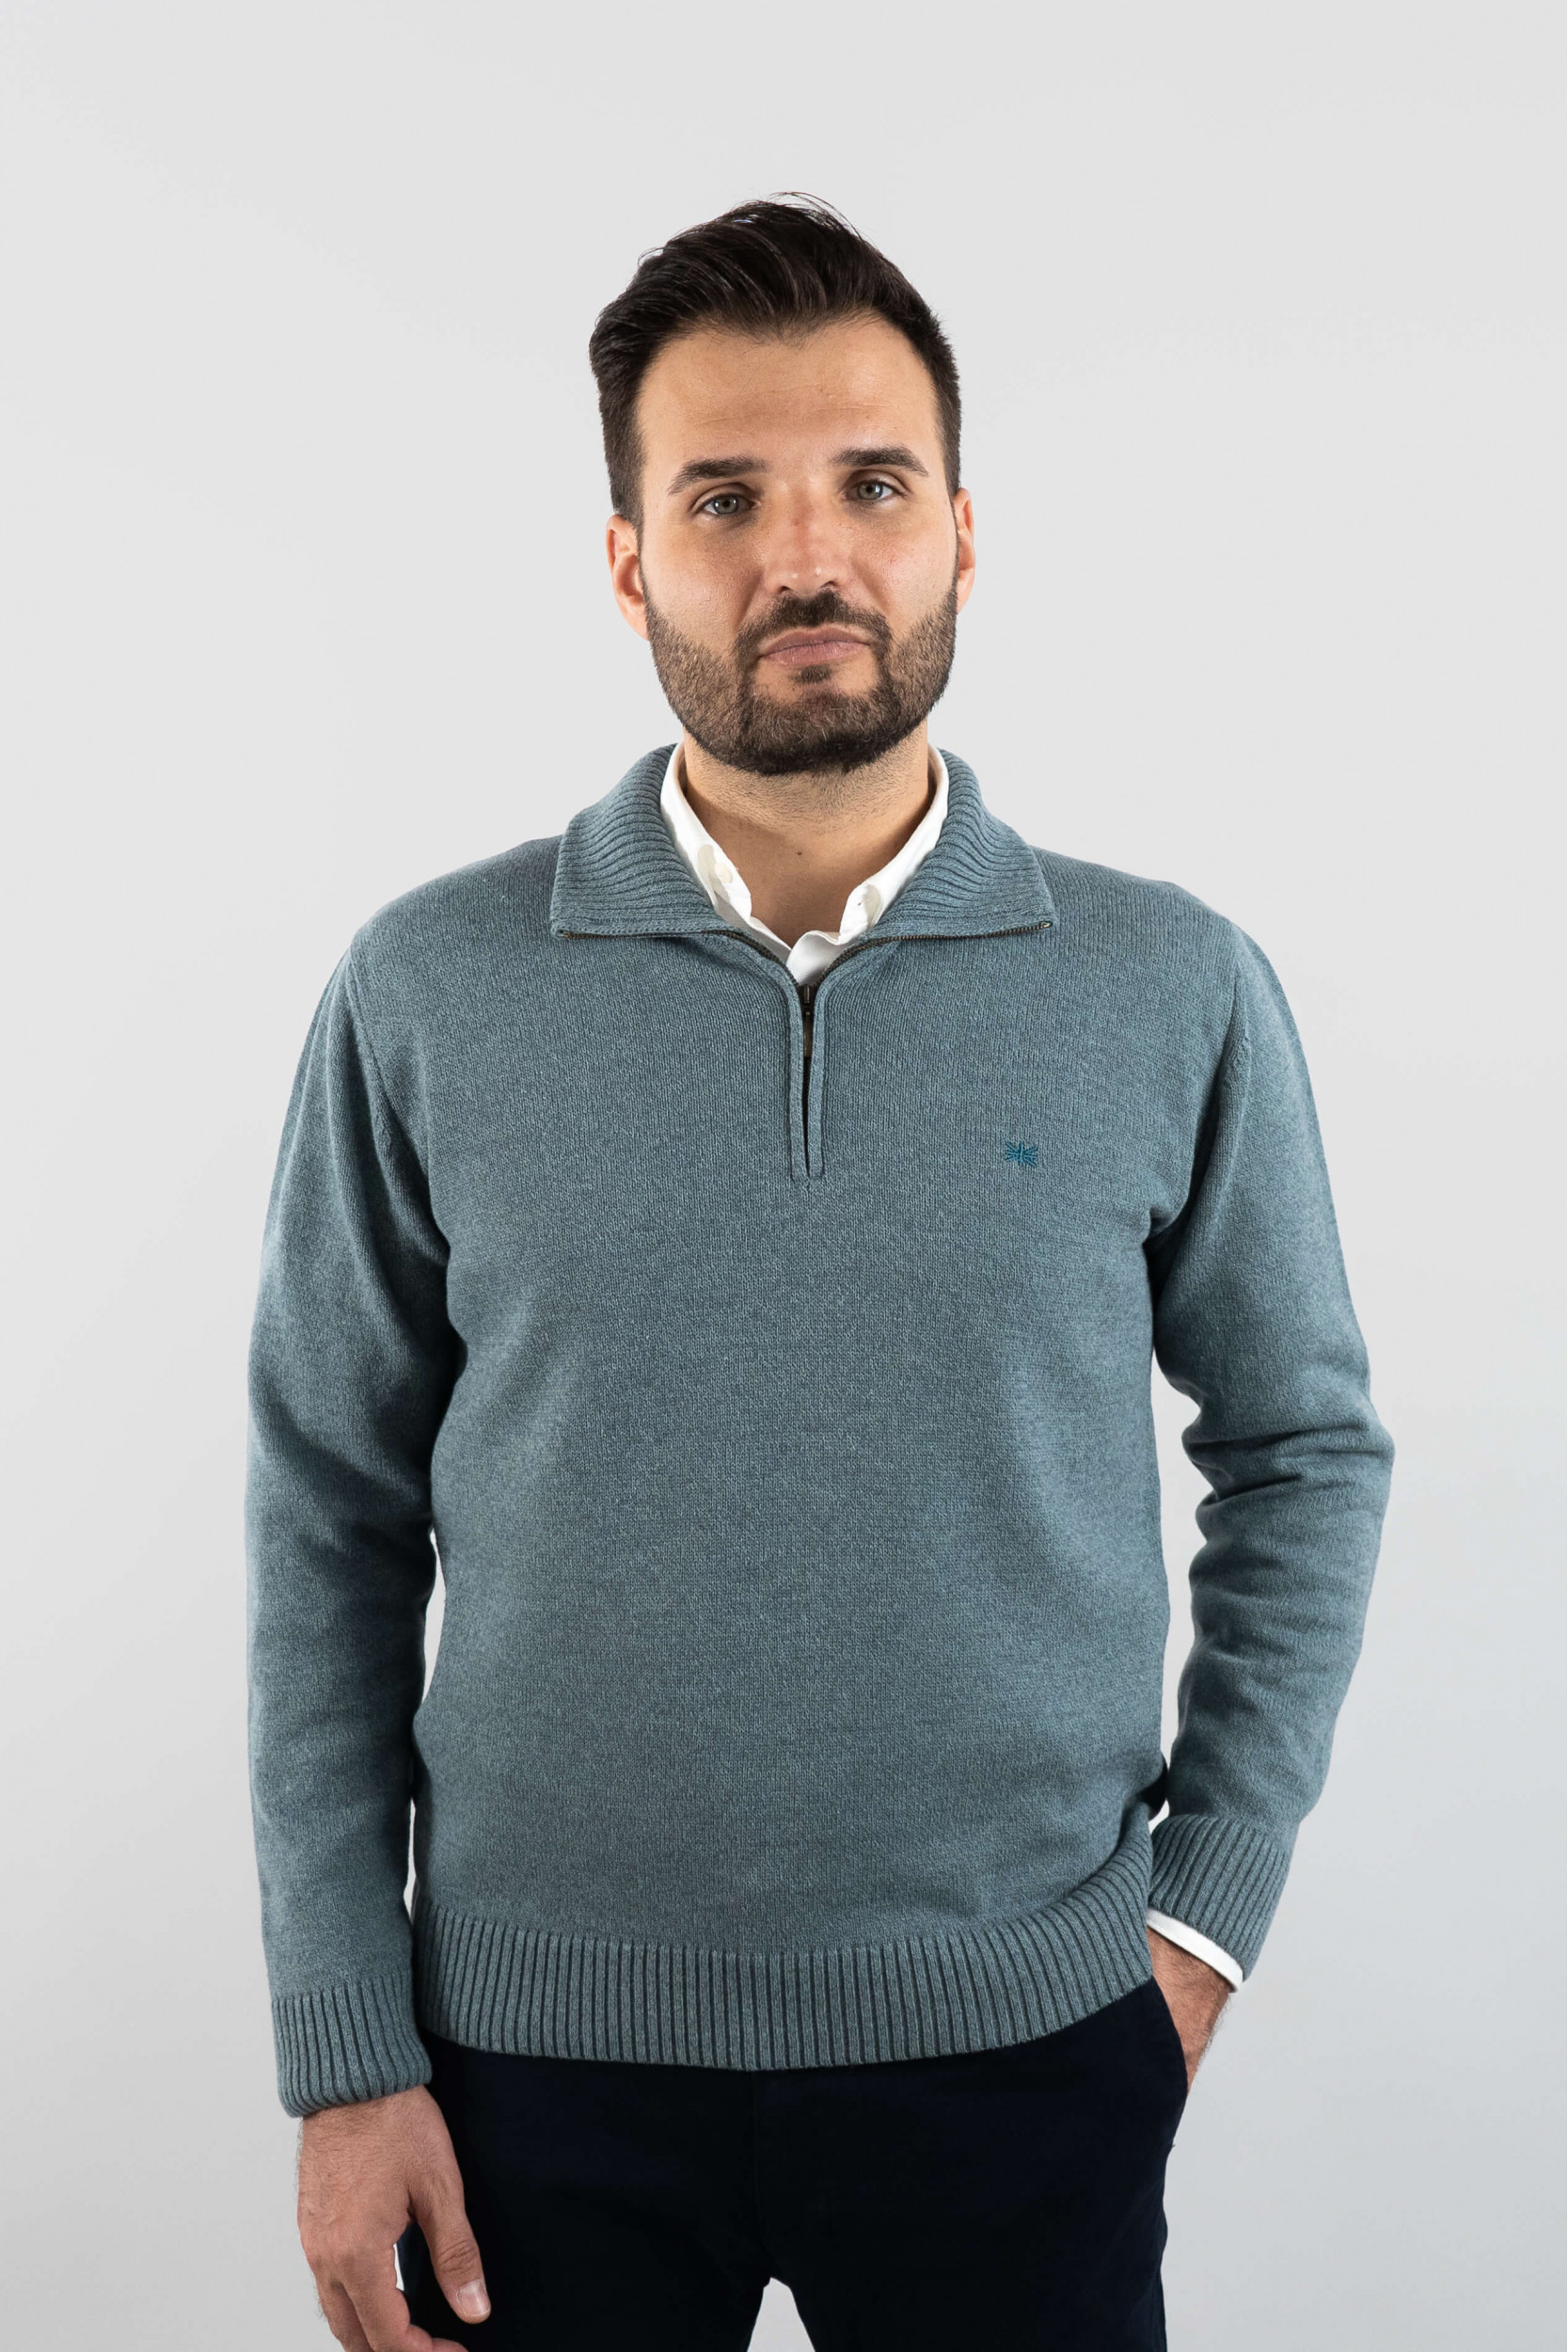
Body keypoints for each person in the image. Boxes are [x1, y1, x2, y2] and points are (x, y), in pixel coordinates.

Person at [245, 195, 1394, 2352]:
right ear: (628, 562)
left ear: (961, 531)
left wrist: (1203, 1919)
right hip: (524, 2071)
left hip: (1028, 2044)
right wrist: (343, 2038)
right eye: (724, 497)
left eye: (871, 483)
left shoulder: (1167, 984)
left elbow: (1305, 1447)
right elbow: (328, 1510)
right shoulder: (426, 986)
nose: (809, 557)